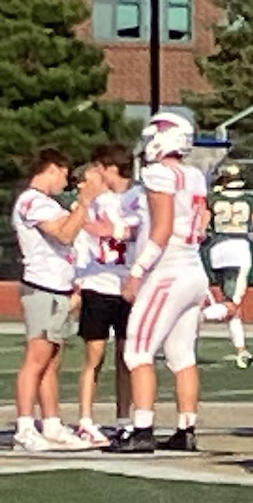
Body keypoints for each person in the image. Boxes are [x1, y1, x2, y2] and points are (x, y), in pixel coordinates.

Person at [104, 113, 218, 455]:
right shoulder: (194, 175)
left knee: (137, 350)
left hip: (168, 271)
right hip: (193, 267)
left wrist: (137, 271)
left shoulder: (158, 174)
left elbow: (162, 228)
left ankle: (142, 429)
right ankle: (186, 428)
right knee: (182, 356)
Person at [12, 147, 105, 452]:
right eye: (64, 175)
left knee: (52, 360)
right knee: (36, 359)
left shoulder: (47, 203)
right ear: (51, 168)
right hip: (42, 287)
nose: (65, 183)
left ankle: (51, 424)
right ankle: (25, 426)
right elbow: (64, 234)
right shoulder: (31, 201)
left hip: (58, 288)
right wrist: (85, 201)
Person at [74, 142, 145, 446]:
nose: (95, 173)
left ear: (110, 167)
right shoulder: (94, 202)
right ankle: (86, 419)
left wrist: (115, 231)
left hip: (128, 284)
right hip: (97, 283)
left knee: (127, 356)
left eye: (99, 167)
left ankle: (123, 419)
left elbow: (142, 230)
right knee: (95, 354)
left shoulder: (138, 198)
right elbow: (81, 237)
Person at [205, 164, 253, 369]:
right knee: (232, 304)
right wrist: (246, 236)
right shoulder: (250, 200)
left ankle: (241, 350)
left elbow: (201, 228)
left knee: (230, 304)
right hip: (239, 251)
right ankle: (194, 318)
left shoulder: (213, 199)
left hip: (216, 251)